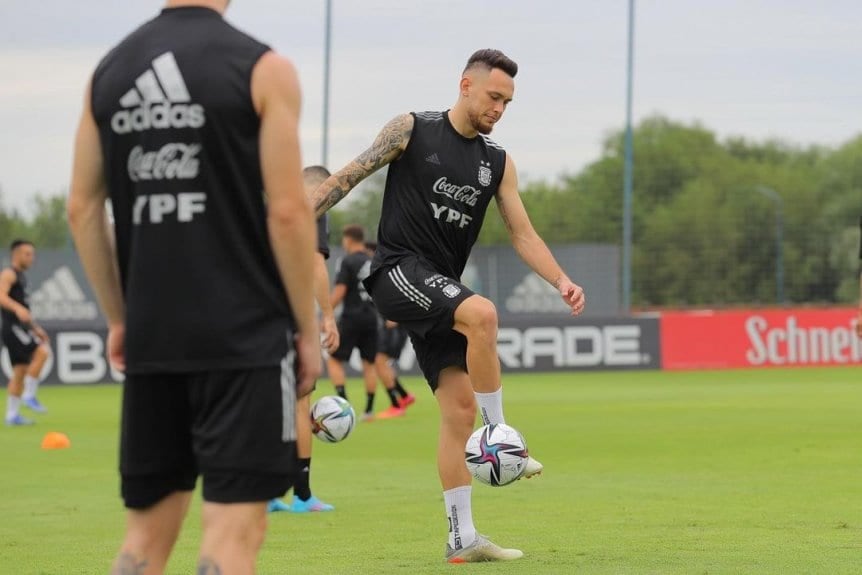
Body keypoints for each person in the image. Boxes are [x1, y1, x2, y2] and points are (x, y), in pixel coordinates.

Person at [67, 2, 321, 573]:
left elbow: (81, 208)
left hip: (154, 336)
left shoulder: (108, 73)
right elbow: (287, 212)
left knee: (143, 541)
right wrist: (305, 328)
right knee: (232, 537)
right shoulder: (264, 67)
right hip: (245, 338)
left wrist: (119, 318)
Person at [310, 49, 585, 563]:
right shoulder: (412, 128)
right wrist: (291, 218)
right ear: (465, 85)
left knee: (458, 412)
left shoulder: (496, 162)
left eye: (507, 102)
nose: (499, 108)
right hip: (396, 271)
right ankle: (502, 436)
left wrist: (561, 279)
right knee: (482, 313)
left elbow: (523, 234)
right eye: (493, 97)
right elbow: (349, 176)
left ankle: (462, 538)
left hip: (441, 286)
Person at [268, 165, 339, 514]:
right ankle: (302, 494)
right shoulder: (313, 205)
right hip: (288, 315)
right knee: (299, 403)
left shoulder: (272, 208)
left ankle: (265, 493)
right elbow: (314, 266)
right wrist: (327, 316)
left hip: (251, 314)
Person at [327, 225, 380, 422]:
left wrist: (326, 313)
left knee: (334, 359)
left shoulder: (347, 261)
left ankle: (344, 406)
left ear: (348, 239)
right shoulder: (372, 261)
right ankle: (369, 410)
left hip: (351, 317)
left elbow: (340, 291)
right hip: (371, 317)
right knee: (369, 364)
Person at [0, 240, 51, 425]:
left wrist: (36, 329)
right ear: (16, 255)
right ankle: (29, 395)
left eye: (33, 254)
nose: (32, 258)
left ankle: (11, 415)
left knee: (20, 372)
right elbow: (0, 295)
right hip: (12, 327)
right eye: (27, 254)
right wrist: (17, 309)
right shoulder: (9, 273)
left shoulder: (22, 278)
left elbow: (24, 310)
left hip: (20, 327)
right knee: (42, 352)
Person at [364, 240, 415, 419]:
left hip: (395, 323)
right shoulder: (381, 267)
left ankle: (396, 404)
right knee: (382, 363)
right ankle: (404, 395)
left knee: (379, 361)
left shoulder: (386, 266)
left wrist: (394, 315)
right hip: (393, 323)